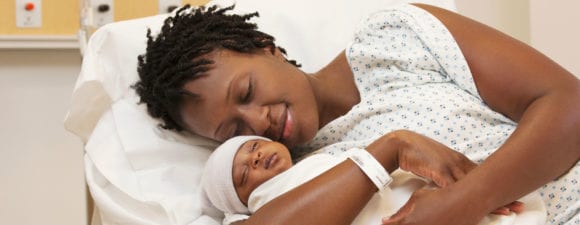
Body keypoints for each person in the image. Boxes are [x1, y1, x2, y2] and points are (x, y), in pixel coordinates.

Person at [134, 3, 580, 225]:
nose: (257, 121)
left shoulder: (394, 38)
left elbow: (567, 103)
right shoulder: (297, 180)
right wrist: (390, 148)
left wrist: (465, 201)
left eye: (247, 91)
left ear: (265, 48)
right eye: (233, 129)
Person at [201, 135, 546, 225]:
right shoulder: (266, 208)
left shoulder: (324, 156)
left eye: (254, 146)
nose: (256, 157)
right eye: (244, 174)